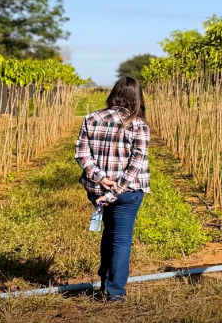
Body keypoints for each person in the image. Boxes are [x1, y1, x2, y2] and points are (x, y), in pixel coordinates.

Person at [74, 77, 151, 302]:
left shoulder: (92, 118)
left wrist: (100, 179)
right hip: (127, 192)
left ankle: (104, 284)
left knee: (109, 234)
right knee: (121, 239)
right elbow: (136, 164)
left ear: (114, 94)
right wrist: (115, 192)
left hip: (98, 191)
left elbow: (82, 154)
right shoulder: (138, 125)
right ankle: (115, 292)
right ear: (137, 98)